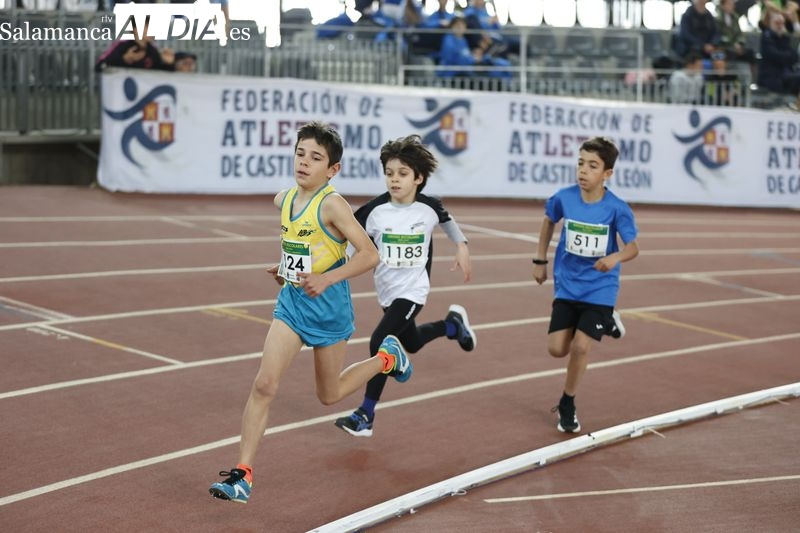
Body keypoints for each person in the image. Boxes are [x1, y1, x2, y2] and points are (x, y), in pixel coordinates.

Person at [208, 122, 412, 504]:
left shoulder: (332, 204)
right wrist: (284, 267)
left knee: (329, 394)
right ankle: (242, 475)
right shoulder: (283, 199)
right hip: (292, 304)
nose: (304, 162)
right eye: (300, 153)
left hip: (329, 311)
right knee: (264, 384)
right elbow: (302, 245)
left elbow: (370, 254)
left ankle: (388, 357)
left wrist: (327, 278)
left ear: (332, 169)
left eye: (315, 158)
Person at [334, 134, 476, 437]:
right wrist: (336, 268)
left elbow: (448, 222)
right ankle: (452, 326)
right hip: (386, 291)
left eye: (402, 174)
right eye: (389, 173)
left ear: (418, 178)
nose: (394, 180)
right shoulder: (373, 211)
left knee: (381, 341)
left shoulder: (428, 207)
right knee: (410, 342)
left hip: (413, 290)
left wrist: (461, 246)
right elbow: (351, 240)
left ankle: (366, 415)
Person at [532, 137, 639, 434]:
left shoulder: (617, 208)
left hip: (600, 288)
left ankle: (567, 402)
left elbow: (633, 248)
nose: (583, 171)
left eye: (592, 166)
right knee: (556, 350)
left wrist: (615, 257)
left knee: (580, 347)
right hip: (567, 284)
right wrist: (539, 259)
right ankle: (608, 322)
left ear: (607, 174)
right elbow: (547, 221)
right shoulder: (564, 198)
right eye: (580, 163)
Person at [437, 14, 511, 78]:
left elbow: (465, 54)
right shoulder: (448, 40)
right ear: (452, 26)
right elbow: (452, 58)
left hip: (466, 69)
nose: (460, 27)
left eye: (462, 25)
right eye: (457, 25)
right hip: (453, 72)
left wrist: (474, 56)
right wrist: (473, 59)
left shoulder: (463, 40)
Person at [94, 19, 175, 72]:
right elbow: (100, 66)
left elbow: (159, 74)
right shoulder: (122, 44)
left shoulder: (153, 50)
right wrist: (124, 60)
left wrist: (169, 64)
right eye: (147, 27)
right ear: (134, 29)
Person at [757, 10, 800, 106]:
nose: (780, 25)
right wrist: (787, 56)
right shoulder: (767, 36)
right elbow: (774, 55)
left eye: (782, 23)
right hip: (771, 76)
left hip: (785, 74)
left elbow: (795, 56)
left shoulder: (784, 38)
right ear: (770, 24)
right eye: (777, 23)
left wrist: (785, 56)